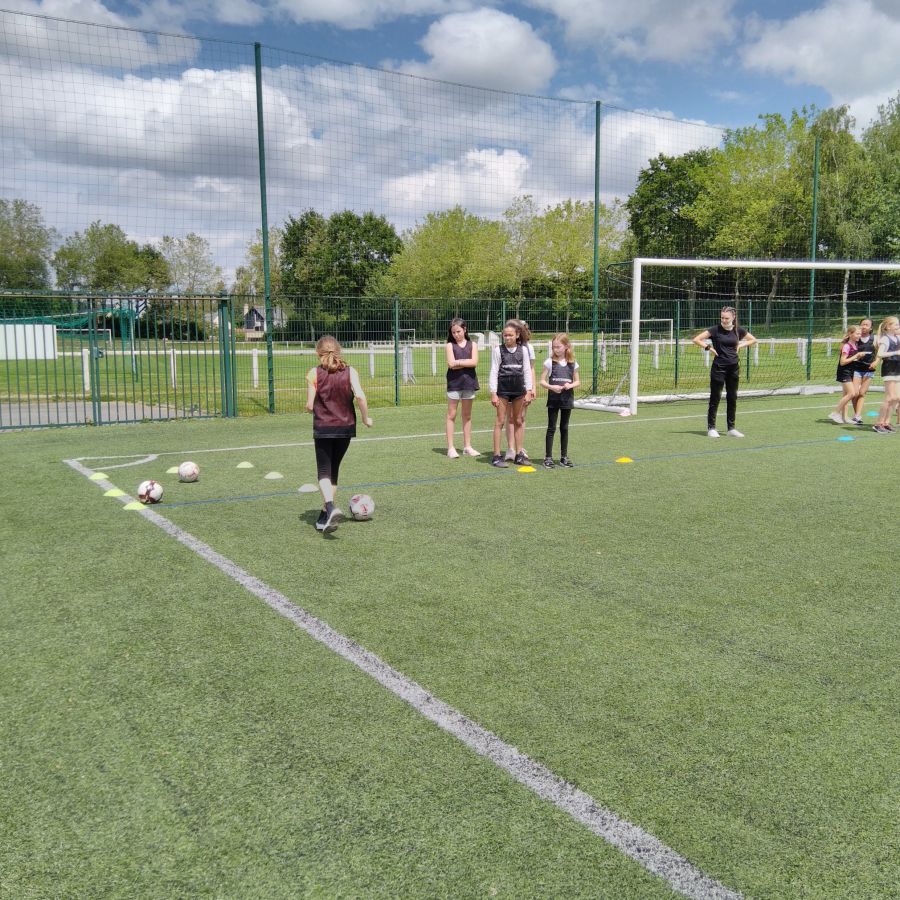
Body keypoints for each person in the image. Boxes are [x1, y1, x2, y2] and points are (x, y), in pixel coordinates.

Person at [305, 336, 373, 533]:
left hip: (324, 428)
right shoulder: (351, 372)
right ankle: (324, 516)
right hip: (345, 428)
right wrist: (365, 418)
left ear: (317, 353)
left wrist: (312, 407)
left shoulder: (313, 373)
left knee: (324, 472)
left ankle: (330, 506)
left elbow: (309, 405)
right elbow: (360, 396)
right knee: (333, 471)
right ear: (339, 351)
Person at [692, 306, 757, 438]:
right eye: (722, 318)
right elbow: (696, 339)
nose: (724, 320)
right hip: (718, 368)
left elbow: (753, 339)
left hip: (734, 368)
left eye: (727, 318)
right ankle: (711, 428)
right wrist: (709, 348)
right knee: (715, 397)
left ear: (733, 317)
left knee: (732, 397)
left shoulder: (738, 330)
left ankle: (731, 428)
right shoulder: (715, 330)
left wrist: (740, 345)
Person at [489, 321, 532, 467]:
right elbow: (494, 371)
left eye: (510, 335)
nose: (507, 338)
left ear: (517, 335)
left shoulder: (523, 350)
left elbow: (527, 371)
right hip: (503, 390)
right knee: (500, 421)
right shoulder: (498, 350)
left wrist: (529, 390)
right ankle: (496, 456)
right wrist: (493, 393)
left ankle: (519, 455)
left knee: (518, 420)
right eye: (505, 335)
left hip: (519, 390)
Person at [540, 333, 580, 468]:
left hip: (567, 399)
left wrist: (570, 385)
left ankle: (564, 457)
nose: (556, 349)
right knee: (551, 428)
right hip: (553, 399)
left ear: (566, 346)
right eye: (554, 347)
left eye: (558, 347)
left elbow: (577, 381)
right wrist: (552, 387)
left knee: (564, 428)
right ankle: (548, 457)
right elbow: (542, 381)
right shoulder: (549, 362)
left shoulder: (573, 363)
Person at [444, 317, 481, 459]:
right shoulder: (449, 345)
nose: (456, 335)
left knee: (467, 415)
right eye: (453, 332)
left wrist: (458, 362)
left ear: (465, 329)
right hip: (454, 384)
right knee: (451, 415)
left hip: (469, 383)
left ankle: (467, 447)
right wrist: (465, 362)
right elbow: (450, 364)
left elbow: (474, 362)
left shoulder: (473, 345)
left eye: (458, 331)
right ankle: (451, 448)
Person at [504, 319, 536, 463]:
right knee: (510, 417)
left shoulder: (528, 348)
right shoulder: (505, 348)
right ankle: (510, 449)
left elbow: (531, 369)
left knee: (520, 418)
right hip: (508, 387)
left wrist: (532, 388)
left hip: (523, 387)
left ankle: (519, 448)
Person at [828, 325, 865, 424]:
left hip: (851, 371)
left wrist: (859, 357)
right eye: (857, 333)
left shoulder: (855, 345)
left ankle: (845, 417)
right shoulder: (846, 346)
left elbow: (852, 359)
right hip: (844, 372)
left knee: (846, 395)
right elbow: (843, 362)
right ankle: (835, 413)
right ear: (850, 334)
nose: (859, 336)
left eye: (860, 334)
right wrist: (856, 356)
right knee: (852, 393)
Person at [872, 316, 900, 434]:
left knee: (897, 397)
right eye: (896, 324)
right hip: (889, 369)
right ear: (888, 327)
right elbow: (880, 354)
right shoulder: (885, 339)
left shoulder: (897, 337)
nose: (898, 326)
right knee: (889, 398)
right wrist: (896, 352)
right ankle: (878, 424)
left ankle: (886, 423)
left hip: (897, 369)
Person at [851, 318, 877, 424]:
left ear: (871, 328)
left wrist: (876, 362)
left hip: (869, 370)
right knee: (854, 393)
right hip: (856, 368)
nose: (864, 326)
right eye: (862, 324)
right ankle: (856, 415)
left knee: (862, 393)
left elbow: (879, 353)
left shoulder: (875, 339)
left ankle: (857, 416)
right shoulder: (855, 338)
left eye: (867, 325)